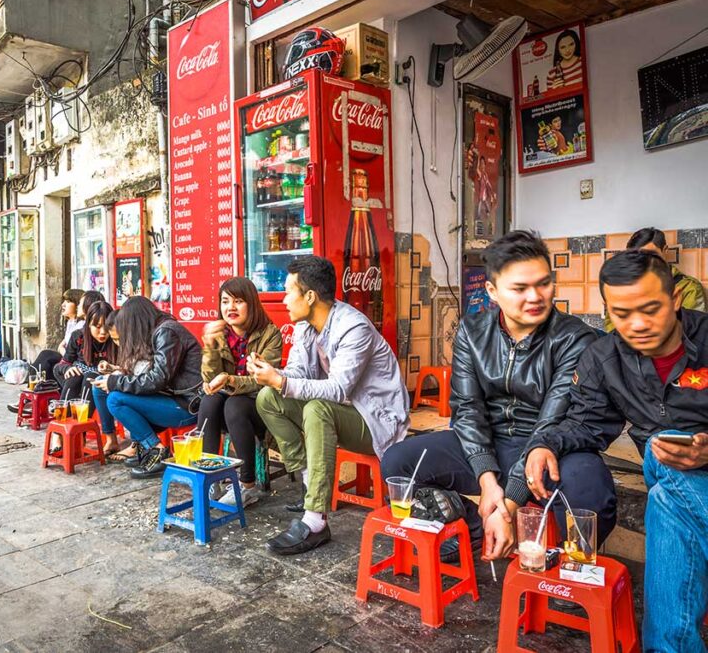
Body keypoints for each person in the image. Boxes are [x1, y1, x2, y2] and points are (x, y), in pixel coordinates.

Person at [381, 231, 609, 563]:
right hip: (488, 443)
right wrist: (488, 482)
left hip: (550, 447)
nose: (535, 296)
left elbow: (553, 420)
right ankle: (479, 529)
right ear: (493, 291)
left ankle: (573, 565)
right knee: (397, 462)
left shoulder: (575, 339)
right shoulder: (472, 332)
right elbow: (468, 410)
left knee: (590, 488)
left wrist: (510, 504)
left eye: (544, 284)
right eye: (519, 288)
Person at [523, 250, 708, 651]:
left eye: (650, 309)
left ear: (676, 299)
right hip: (675, 479)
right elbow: (586, 424)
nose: (637, 325)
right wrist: (543, 443)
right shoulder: (605, 359)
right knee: (665, 474)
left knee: (665, 492)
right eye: (622, 314)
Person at [251, 255, 410, 555]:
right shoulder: (306, 326)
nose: (284, 300)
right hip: (341, 411)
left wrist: (281, 382)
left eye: (288, 292)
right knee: (268, 398)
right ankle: (310, 485)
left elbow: (338, 389)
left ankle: (315, 521)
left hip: (377, 420)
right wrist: (271, 375)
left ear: (310, 296)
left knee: (317, 408)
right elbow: (299, 375)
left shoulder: (354, 328)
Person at [90, 296, 202, 479]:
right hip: (175, 399)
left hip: (187, 405)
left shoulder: (167, 332)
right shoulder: (159, 331)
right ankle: (141, 445)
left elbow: (157, 379)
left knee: (115, 399)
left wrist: (115, 382)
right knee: (107, 390)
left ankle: (157, 450)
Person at [199, 277, 282, 507]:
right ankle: (210, 478)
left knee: (233, 405)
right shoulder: (220, 333)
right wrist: (211, 347)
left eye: (238, 301)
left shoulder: (270, 334)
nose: (230, 307)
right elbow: (209, 379)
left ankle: (247, 487)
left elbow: (262, 381)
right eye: (225, 301)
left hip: (260, 409)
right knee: (210, 401)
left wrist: (229, 380)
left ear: (252, 304)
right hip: (224, 410)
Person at [603, 227, 706, 333]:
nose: (644, 261)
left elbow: (694, 330)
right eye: (636, 256)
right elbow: (612, 328)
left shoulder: (688, 287)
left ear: (665, 251)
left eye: (651, 255)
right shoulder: (623, 287)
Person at [50, 301, 117, 456]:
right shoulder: (78, 337)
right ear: (88, 325)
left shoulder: (115, 338)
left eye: (106, 327)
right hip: (76, 383)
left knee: (89, 378)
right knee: (75, 378)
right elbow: (60, 365)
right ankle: (57, 435)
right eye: (97, 326)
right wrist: (68, 369)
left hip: (105, 385)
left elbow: (125, 367)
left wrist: (112, 369)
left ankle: (80, 434)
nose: (102, 332)